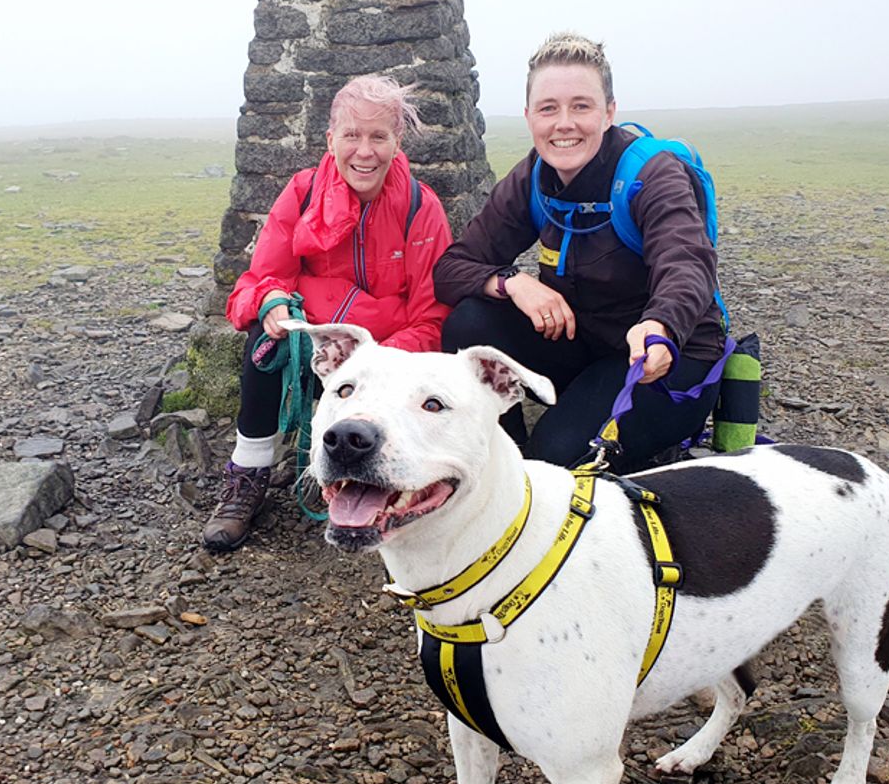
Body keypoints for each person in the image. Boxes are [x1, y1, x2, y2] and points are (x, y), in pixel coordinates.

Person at [432, 33, 726, 472]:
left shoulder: (653, 174)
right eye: (549, 108)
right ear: (530, 116)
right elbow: (453, 268)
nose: (563, 123)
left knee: (555, 461)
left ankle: (544, 462)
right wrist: (514, 282)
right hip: (583, 345)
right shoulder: (534, 175)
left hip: (659, 360)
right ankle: (498, 459)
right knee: (470, 321)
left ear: (609, 112)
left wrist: (659, 323)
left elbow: (686, 263)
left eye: (581, 106)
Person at [203, 75, 454, 551]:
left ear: (397, 142)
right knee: (263, 337)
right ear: (330, 139)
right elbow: (258, 281)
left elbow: (432, 316)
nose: (365, 151)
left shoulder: (422, 208)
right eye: (352, 136)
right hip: (312, 346)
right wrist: (274, 303)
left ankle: (386, 485)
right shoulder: (301, 194)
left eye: (379, 136)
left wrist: (371, 363)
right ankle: (249, 472)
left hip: (389, 357)